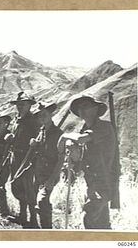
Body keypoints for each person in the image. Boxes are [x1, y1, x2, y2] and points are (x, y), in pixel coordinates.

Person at [56, 95, 117, 229]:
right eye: (80, 107)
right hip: (92, 180)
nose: (82, 110)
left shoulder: (104, 126)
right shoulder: (84, 129)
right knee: (102, 222)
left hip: (104, 180)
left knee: (89, 215)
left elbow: (82, 139)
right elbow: (80, 156)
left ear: (95, 109)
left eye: (86, 106)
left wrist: (64, 136)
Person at [6, 91, 39, 228]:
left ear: (30, 105)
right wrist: (10, 138)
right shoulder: (16, 120)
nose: (20, 107)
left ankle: (33, 220)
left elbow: (38, 138)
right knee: (17, 186)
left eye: (24, 104)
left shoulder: (33, 121)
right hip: (16, 157)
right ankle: (23, 216)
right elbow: (16, 136)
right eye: (19, 104)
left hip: (28, 158)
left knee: (29, 188)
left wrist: (34, 143)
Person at [29, 102, 63, 229]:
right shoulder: (42, 131)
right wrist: (34, 143)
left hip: (50, 174)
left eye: (44, 115)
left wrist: (52, 179)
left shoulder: (58, 134)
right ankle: (40, 227)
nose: (42, 118)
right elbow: (40, 147)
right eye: (39, 116)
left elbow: (61, 159)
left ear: (50, 115)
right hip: (38, 171)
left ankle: (47, 231)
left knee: (42, 201)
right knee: (35, 200)